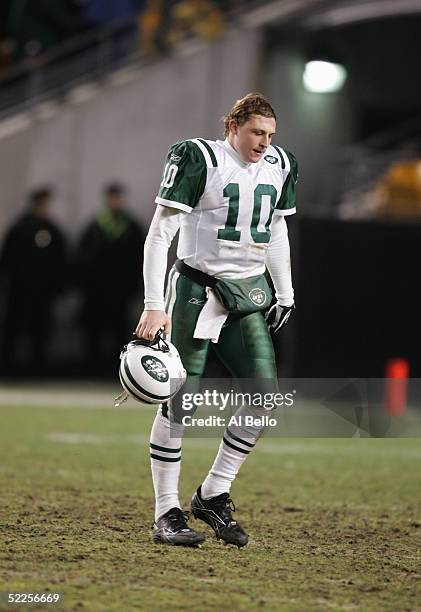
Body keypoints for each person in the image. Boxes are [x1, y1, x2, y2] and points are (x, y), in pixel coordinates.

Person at [136, 92, 298, 547]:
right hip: (195, 289)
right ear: (232, 125)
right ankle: (166, 511)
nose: (264, 142)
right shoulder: (199, 158)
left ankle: (213, 493)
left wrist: (285, 290)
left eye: (269, 134)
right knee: (180, 400)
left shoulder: (281, 164)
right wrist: (154, 303)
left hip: (245, 293)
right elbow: (160, 233)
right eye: (255, 132)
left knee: (265, 400)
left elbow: (278, 228)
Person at [76, 182, 146, 374]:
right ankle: (92, 369)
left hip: (121, 291)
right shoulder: (95, 226)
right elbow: (83, 258)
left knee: (119, 331)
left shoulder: (132, 227)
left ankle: (117, 371)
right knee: (94, 331)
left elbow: (141, 260)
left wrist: (135, 287)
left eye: (118, 198)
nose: (115, 201)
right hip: (96, 291)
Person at [0, 186, 67, 375]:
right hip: (19, 290)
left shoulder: (52, 230)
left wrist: (56, 287)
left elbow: (59, 262)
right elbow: (7, 259)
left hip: (42, 293)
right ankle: (8, 368)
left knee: (40, 332)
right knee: (13, 330)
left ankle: (37, 369)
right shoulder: (20, 229)